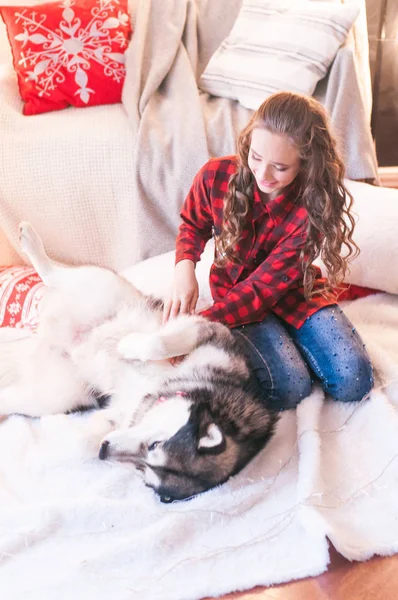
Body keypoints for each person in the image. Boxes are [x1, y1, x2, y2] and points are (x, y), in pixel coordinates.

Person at [163, 91, 374, 410]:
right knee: (289, 389)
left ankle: (299, 344)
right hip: (235, 295)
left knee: (354, 380)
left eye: (280, 167)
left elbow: (262, 288)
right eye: (256, 157)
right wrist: (184, 268)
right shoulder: (216, 174)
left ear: (305, 163)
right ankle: (288, 350)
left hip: (293, 291)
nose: (263, 175)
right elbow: (193, 223)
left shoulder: (311, 205)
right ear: (249, 141)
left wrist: (200, 327)